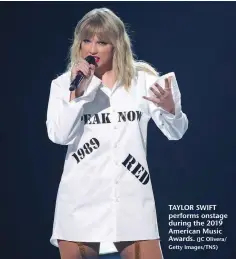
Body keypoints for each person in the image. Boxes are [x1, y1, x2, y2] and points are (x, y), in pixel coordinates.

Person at [46, 7, 188, 259]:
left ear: (117, 45)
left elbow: (176, 132)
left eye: (101, 42)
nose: (91, 49)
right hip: (80, 201)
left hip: (132, 198)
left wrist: (170, 110)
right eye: (86, 41)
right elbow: (58, 136)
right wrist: (77, 96)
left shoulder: (142, 81)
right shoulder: (64, 84)